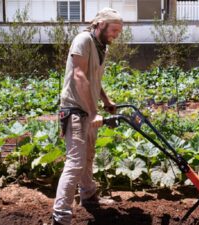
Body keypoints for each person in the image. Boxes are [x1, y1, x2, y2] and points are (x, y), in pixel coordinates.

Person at [52, 8, 123, 225]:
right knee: (75, 161)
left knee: (89, 156)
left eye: (118, 31)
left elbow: (94, 79)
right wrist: (93, 112)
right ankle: (60, 215)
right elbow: (79, 74)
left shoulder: (102, 47)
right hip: (74, 109)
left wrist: (106, 100)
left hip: (89, 111)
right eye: (114, 30)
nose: (116, 35)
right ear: (100, 24)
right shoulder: (83, 39)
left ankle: (89, 196)